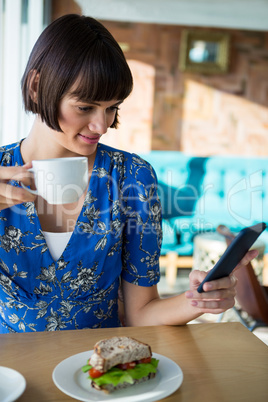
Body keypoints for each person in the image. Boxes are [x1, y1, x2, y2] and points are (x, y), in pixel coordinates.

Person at [0, 14, 257, 333]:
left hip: (98, 371)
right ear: (37, 87)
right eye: (85, 108)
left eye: (112, 108)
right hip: (11, 376)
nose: (102, 125)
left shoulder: (133, 178)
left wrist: (197, 299)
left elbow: (141, 313)